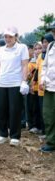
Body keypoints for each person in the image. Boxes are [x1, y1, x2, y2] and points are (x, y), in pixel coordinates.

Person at [0, 26, 29, 146]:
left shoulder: (22, 48)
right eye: (6, 36)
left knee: (15, 110)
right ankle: (2, 134)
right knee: (1, 109)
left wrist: (24, 81)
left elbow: (25, 65)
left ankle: (15, 136)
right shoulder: (1, 50)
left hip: (16, 83)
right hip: (1, 83)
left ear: (16, 37)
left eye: (10, 36)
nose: (8, 39)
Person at [39, 25, 55, 153]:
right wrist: (42, 79)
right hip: (49, 87)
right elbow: (44, 66)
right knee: (48, 114)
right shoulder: (50, 46)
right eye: (53, 31)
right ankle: (51, 142)